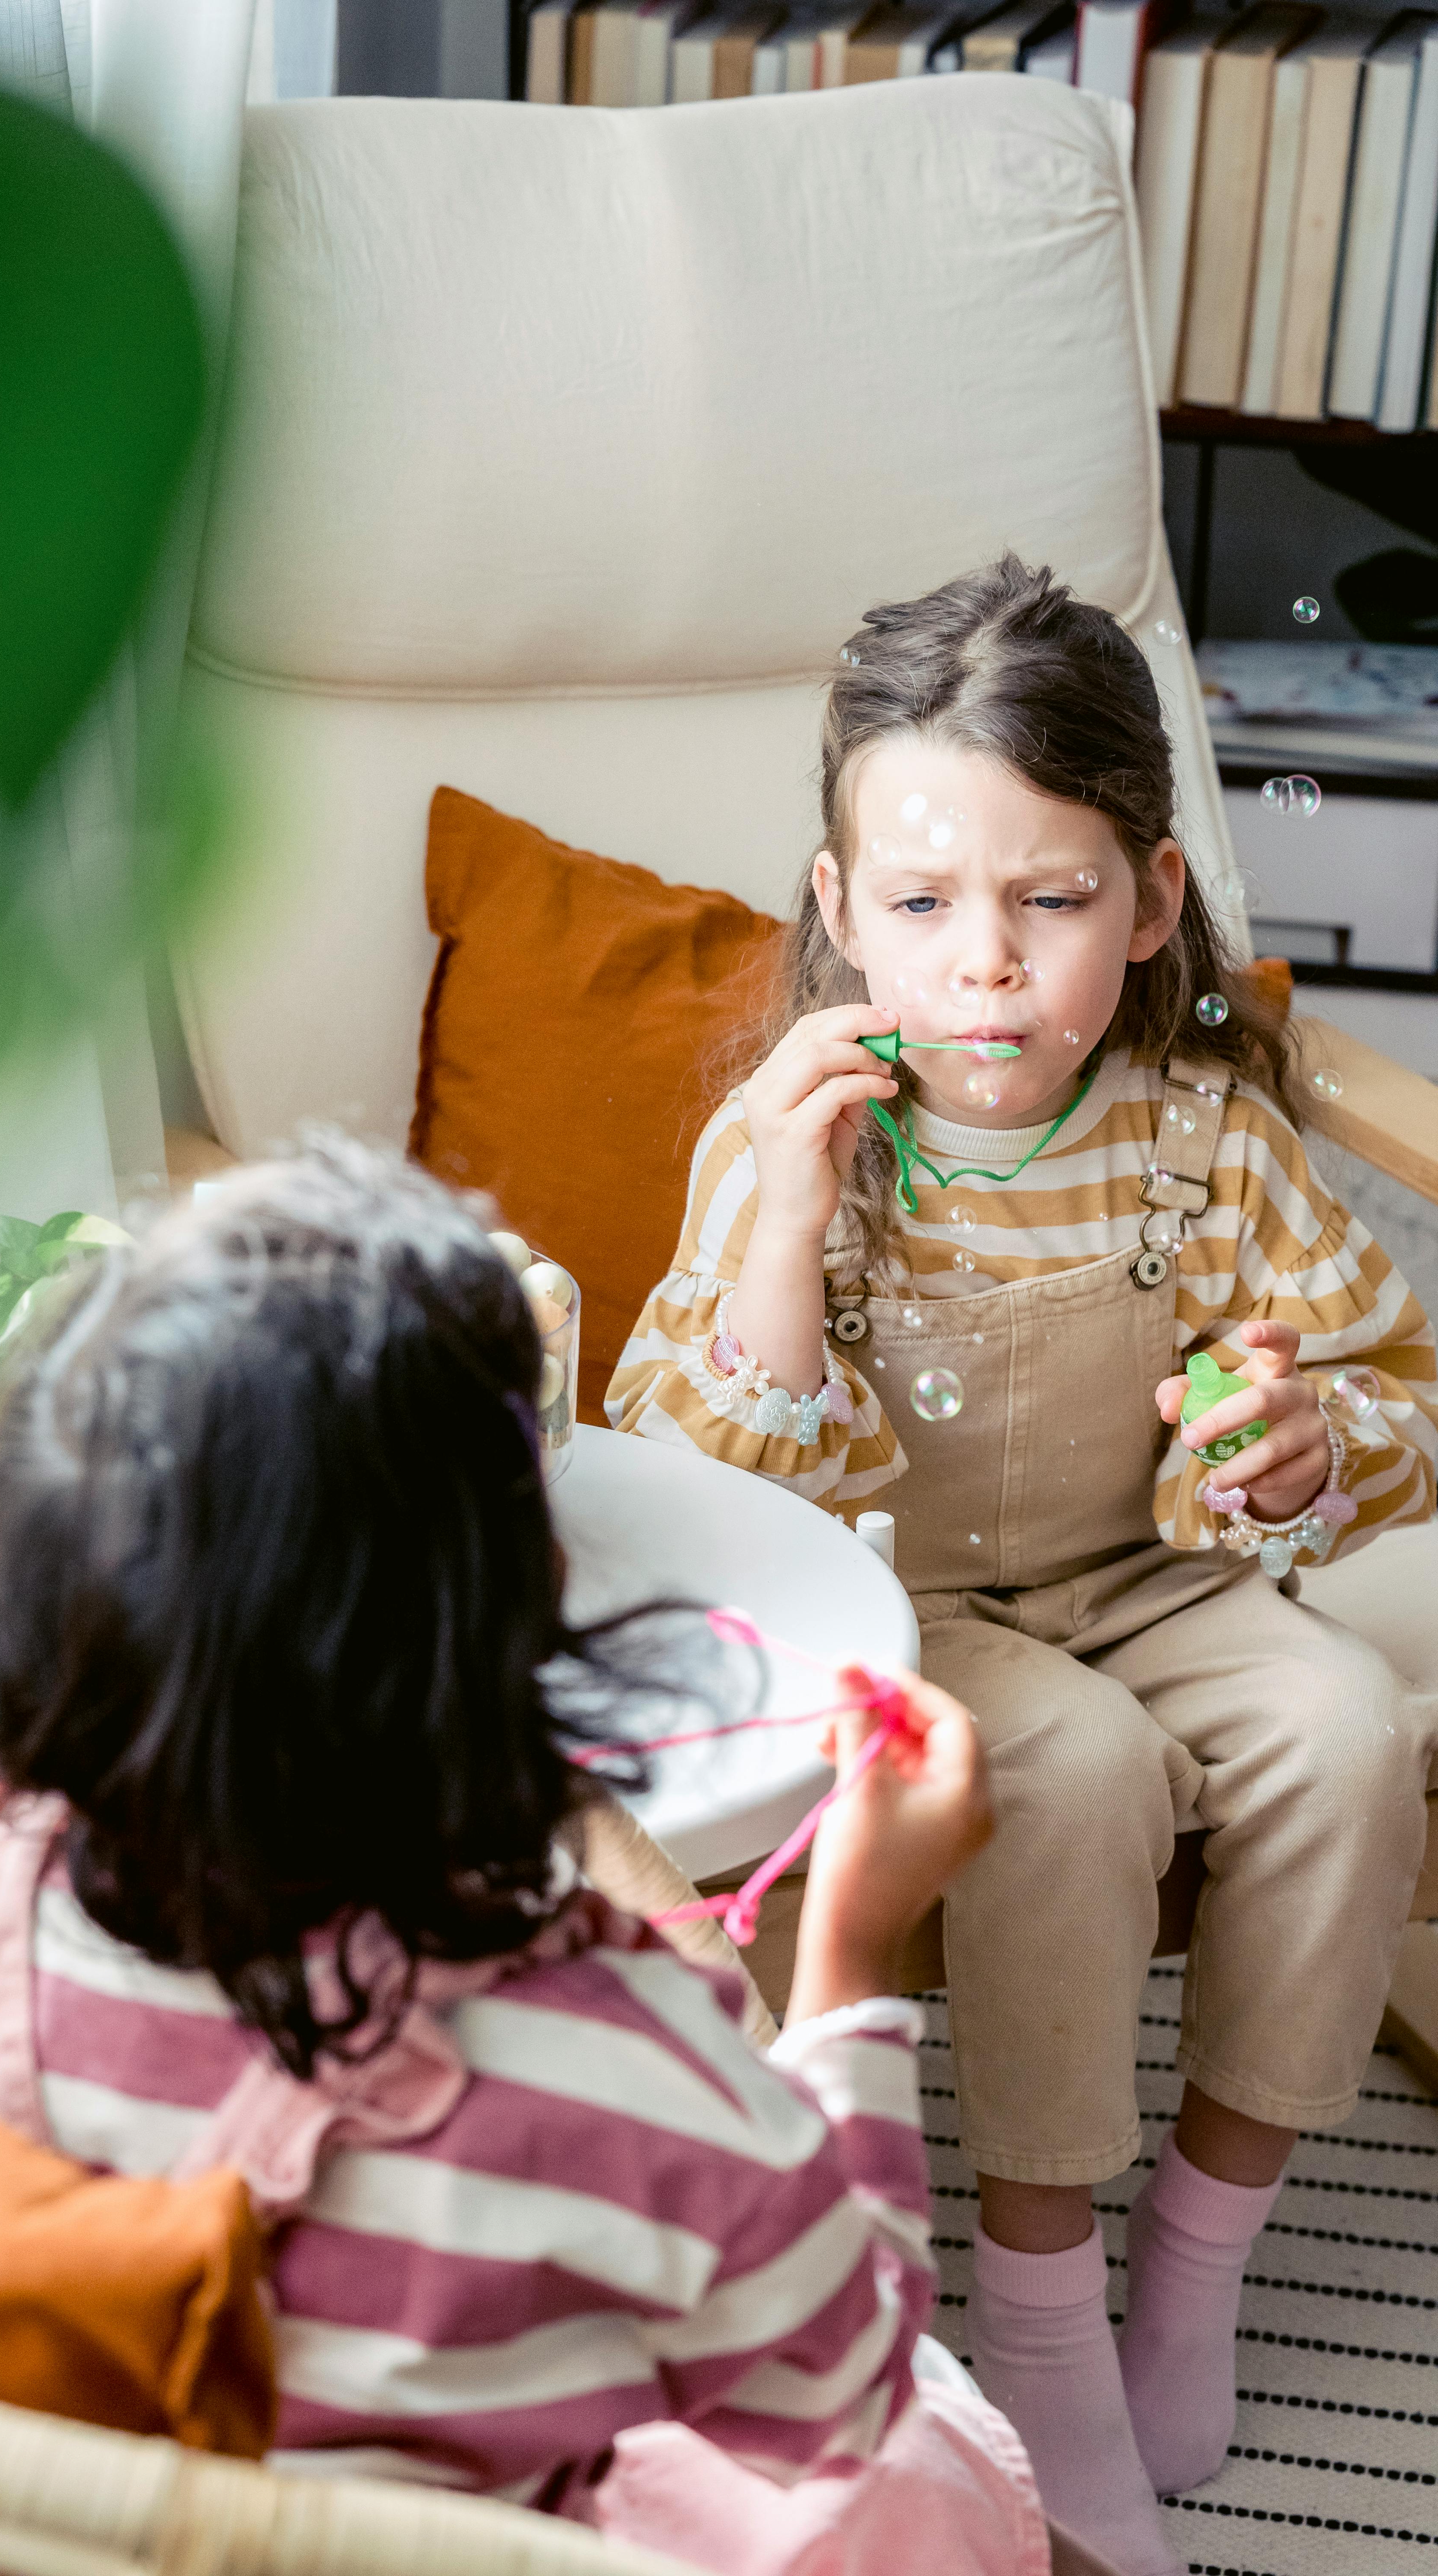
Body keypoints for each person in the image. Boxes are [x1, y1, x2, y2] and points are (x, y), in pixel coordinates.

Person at [0, 1137, 1078, 2575]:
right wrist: (851, 1956)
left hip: (80, 2525)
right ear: (518, 1603)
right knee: (923, 2482)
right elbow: (839, 2382)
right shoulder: (605, 2059)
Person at [608, 555, 1438, 2576]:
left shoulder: (1205, 1136)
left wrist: (1308, 1435)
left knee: (1345, 1728)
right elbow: (683, 1477)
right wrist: (789, 1227)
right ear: (837, 917)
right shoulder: (788, 1141)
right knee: (1060, 1775)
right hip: (894, 1596)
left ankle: (1199, 2256)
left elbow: (1383, 1377)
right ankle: (1043, 2303)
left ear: (1151, 904)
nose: (985, 968)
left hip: (1148, 1576)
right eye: (920, 907)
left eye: (1051, 903)